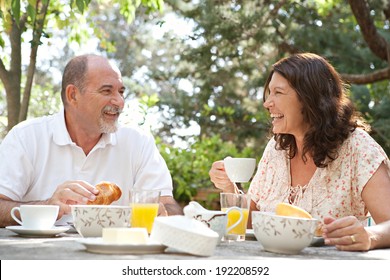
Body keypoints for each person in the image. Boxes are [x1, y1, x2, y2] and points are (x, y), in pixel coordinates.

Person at [209, 53, 390, 251]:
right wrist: (230, 188)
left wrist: (370, 236)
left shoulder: (358, 149)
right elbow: (251, 223)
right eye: (269, 93)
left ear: (309, 98)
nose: (267, 103)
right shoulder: (277, 148)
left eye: (278, 92)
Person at [0, 54, 183, 227]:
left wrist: (164, 213)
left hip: (117, 253)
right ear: (73, 95)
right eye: (106, 91)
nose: (119, 102)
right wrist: (48, 207)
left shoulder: (138, 142)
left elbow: (170, 206)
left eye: (121, 92)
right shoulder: (26, 137)